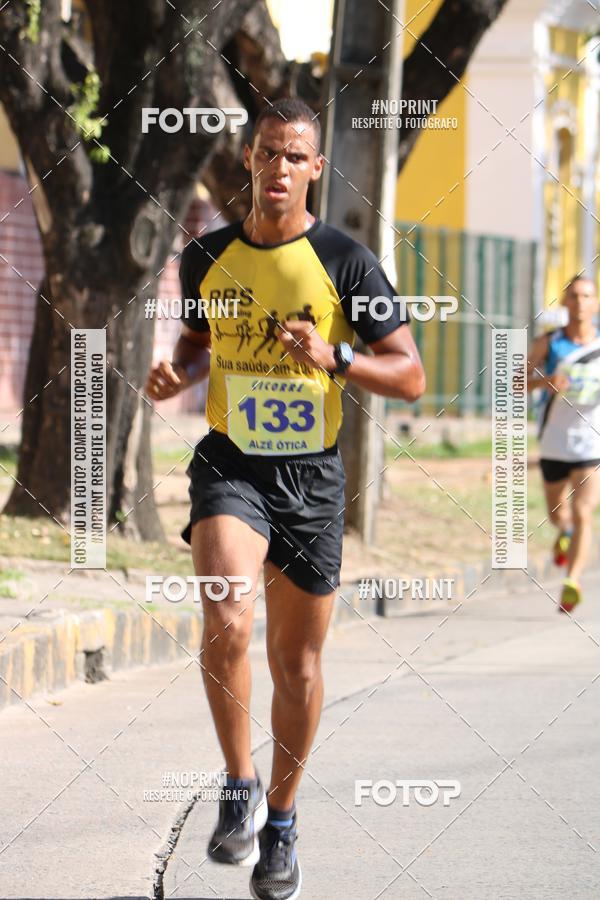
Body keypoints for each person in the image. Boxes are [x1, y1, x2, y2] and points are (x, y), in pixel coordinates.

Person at [145, 97, 425, 900]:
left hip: (310, 479)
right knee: (227, 616)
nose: (278, 167)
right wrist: (179, 372)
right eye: (267, 152)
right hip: (232, 464)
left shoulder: (346, 261)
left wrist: (334, 355)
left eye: (294, 156)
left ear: (313, 169)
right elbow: (197, 344)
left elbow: (409, 374)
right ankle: (237, 785)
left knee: (295, 664)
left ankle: (282, 819)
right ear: (248, 159)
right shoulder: (207, 256)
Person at [527, 275, 600, 613]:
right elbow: (514, 382)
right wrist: (545, 381)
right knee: (558, 515)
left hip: (591, 445)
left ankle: (572, 580)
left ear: (596, 303)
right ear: (565, 303)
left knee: (585, 511)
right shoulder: (549, 343)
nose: (581, 302)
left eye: (587, 296)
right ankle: (563, 531)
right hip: (555, 443)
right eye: (574, 296)